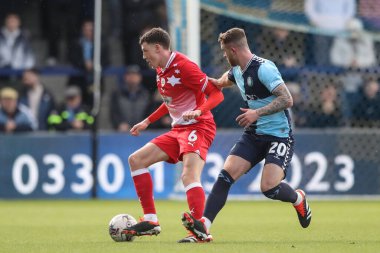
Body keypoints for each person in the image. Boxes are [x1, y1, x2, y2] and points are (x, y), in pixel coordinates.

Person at [181, 28, 312, 242]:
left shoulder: (264, 69)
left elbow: (287, 99)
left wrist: (257, 113)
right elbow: (224, 80)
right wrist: (204, 82)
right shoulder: (237, 71)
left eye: (225, 52)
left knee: (268, 188)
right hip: (254, 134)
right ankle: (203, 227)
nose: (224, 56)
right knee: (225, 176)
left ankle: (298, 198)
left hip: (278, 135)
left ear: (234, 49)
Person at [121, 27, 224, 243]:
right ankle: (150, 220)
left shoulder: (184, 66)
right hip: (178, 130)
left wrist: (199, 110)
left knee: (188, 175)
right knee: (136, 160)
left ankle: (199, 230)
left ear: (158, 48)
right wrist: (147, 121)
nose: (144, 56)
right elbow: (170, 102)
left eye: (145, 51)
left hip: (199, 126)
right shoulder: (161, 70)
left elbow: (216, 94)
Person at [110, 65, 151, 132]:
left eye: (135, 75)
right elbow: (114, 112)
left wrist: (144, 124)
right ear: (125, 77)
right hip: (122, 132)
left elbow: (149, 112)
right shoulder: (117, 94)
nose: (132, 77)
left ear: (140, 77)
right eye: (129, 75)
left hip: (142, 131)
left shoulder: (146, 95)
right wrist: (120, 124)